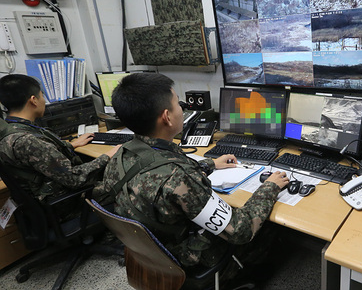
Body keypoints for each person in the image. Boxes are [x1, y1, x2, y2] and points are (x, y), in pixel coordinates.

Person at [92, 73, 289, 288]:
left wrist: (210, 164)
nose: (182, 110)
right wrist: (270, 187)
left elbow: (156, 171)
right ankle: (248, 271)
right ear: (167, 117)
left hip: (150, 254)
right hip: (185, 260)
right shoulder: (180, 177)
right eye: (178, 104)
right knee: (272, 224)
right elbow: (240, 230)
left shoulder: (120, 155)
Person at [0, 74, 120, 213]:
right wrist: (108, 155)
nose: (44, 100)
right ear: (33, 100)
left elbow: (38, 158)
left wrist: (71, 145)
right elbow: (75, 179)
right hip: (64, 204)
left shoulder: (12, 129)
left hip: (39, 202)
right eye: (42, 95)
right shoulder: (28, 141)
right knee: (122, 181)